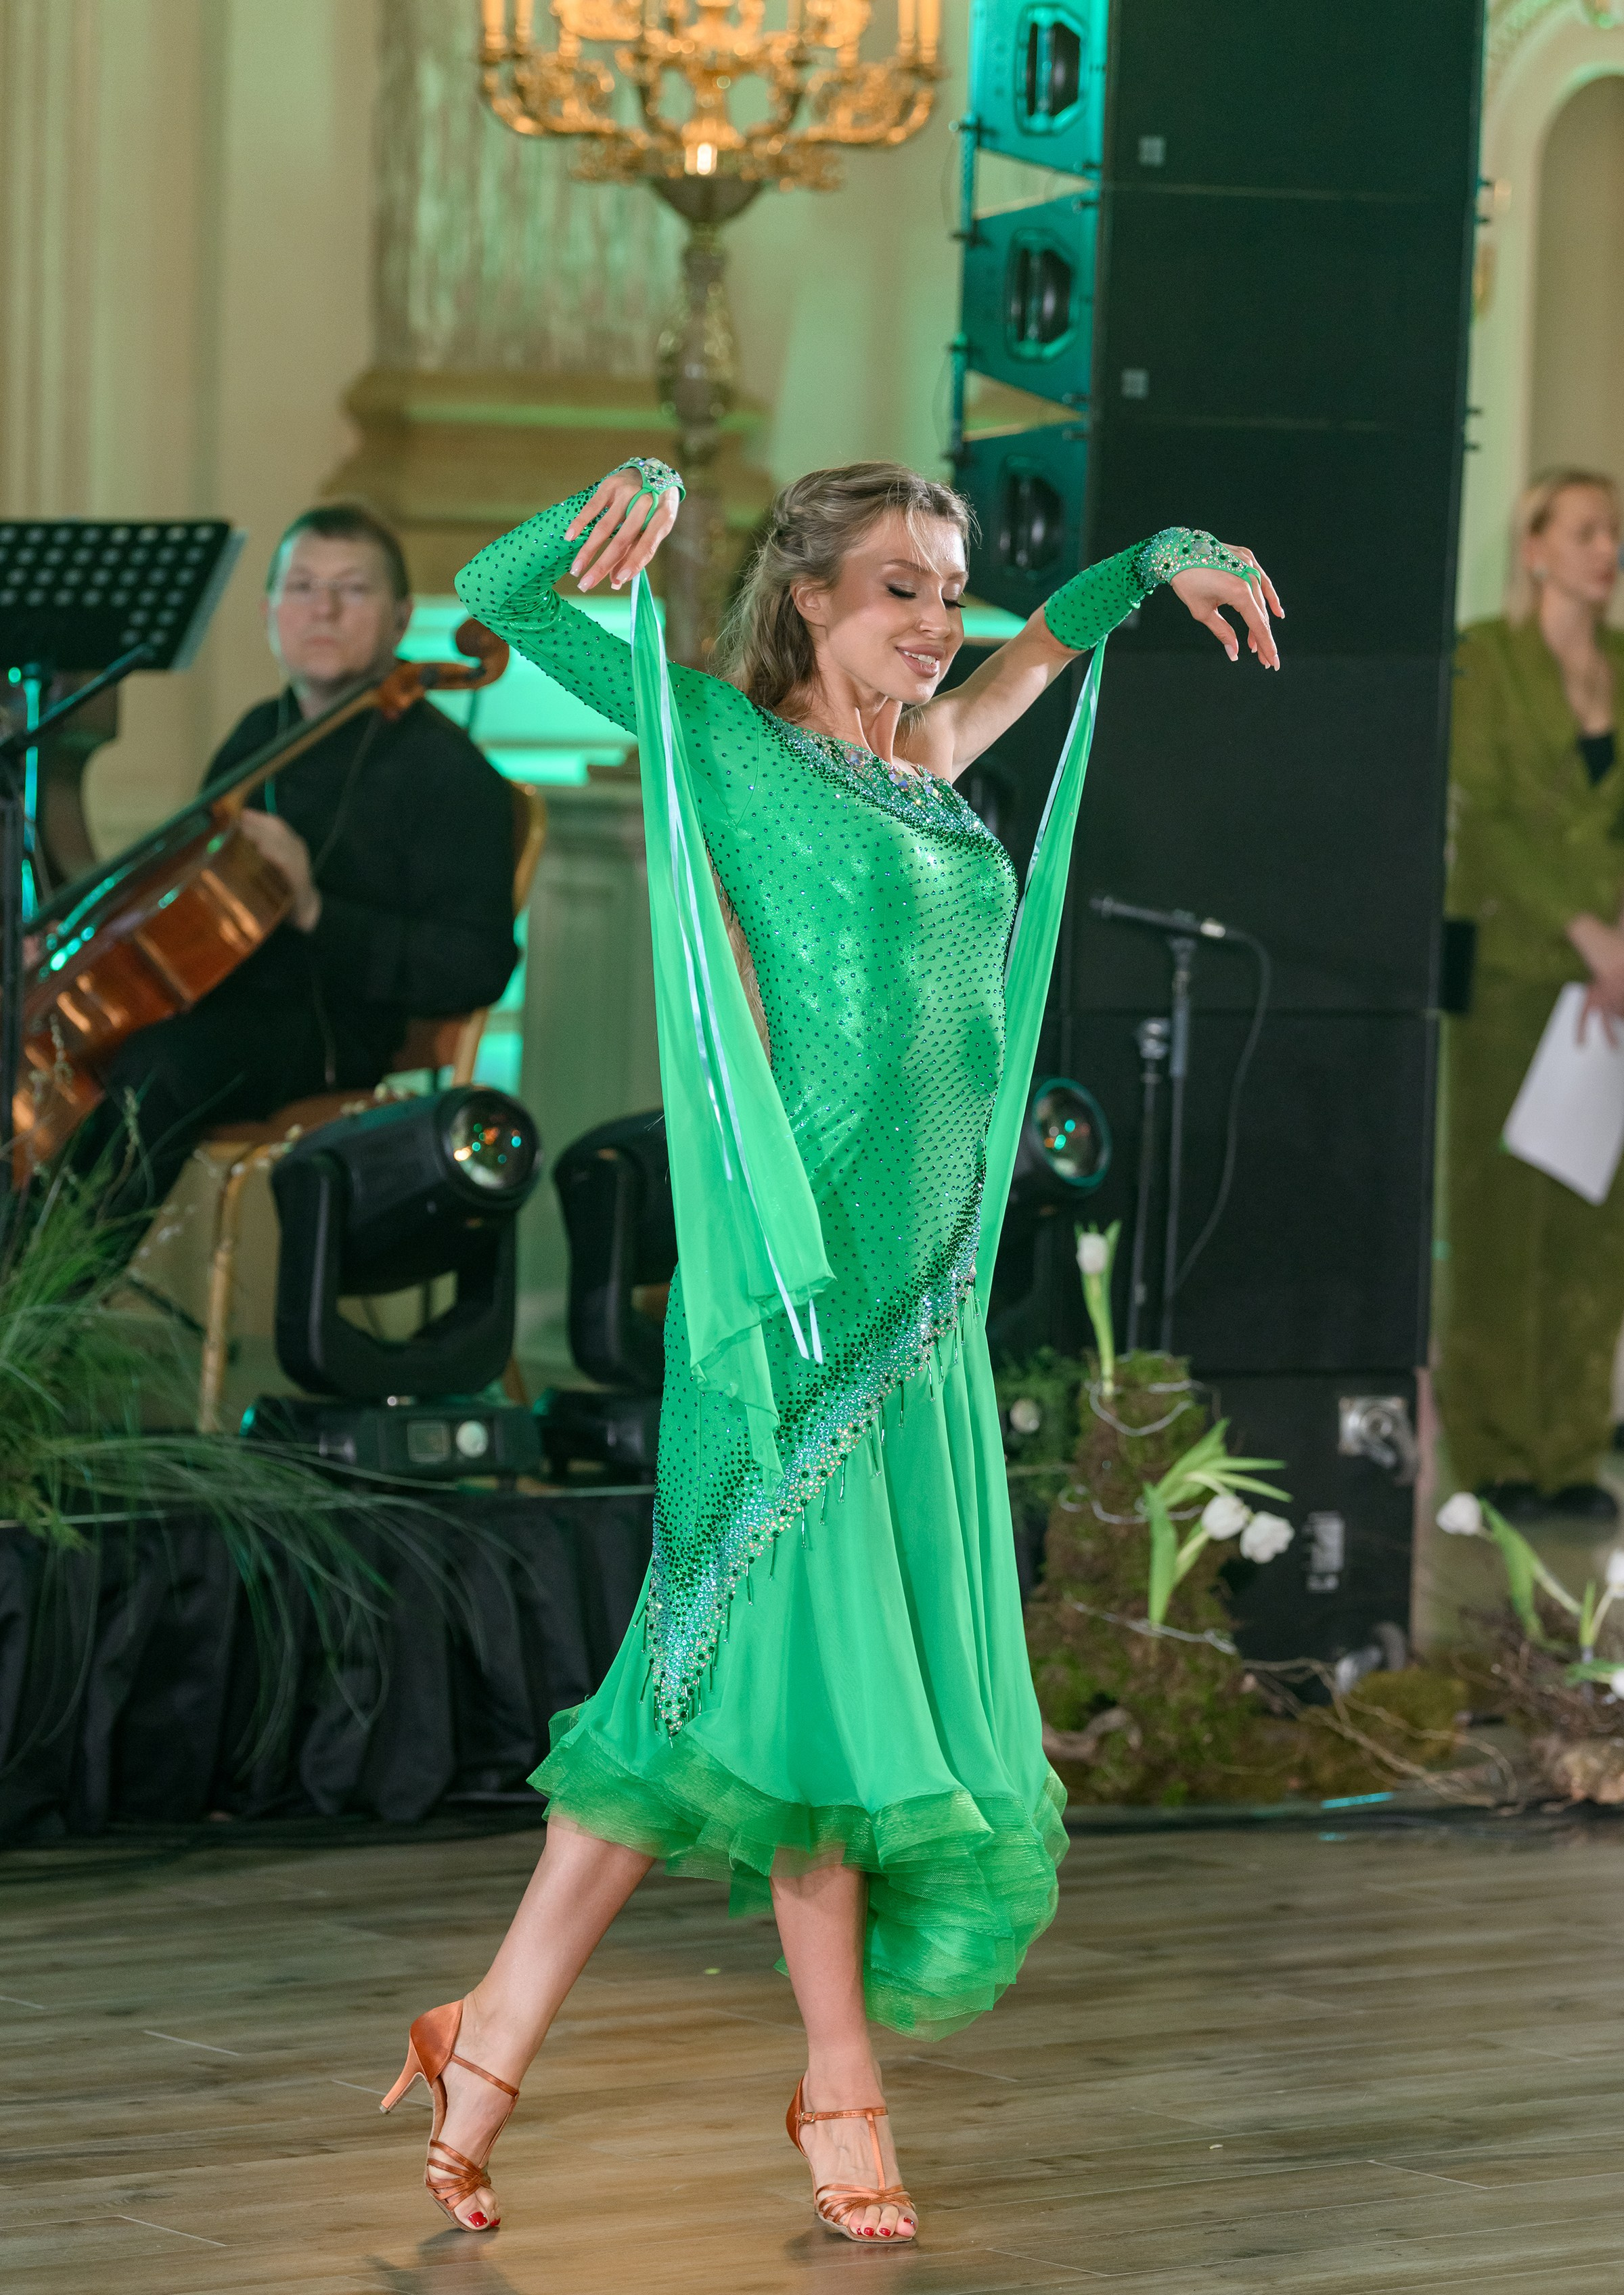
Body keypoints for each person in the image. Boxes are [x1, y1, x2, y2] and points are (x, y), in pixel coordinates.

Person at [380, 460, 1280, 2244]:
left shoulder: (931, 758)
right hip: (789, 1318)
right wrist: (620, 495)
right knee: (811, 1707)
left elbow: (1057, 643)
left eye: (953, 590)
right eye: (904, 591)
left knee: (689, 1713)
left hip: (916, 1313)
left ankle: (481, 2047)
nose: (944, 624)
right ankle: (839, 2091)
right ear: (812, 601)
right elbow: (499, 586)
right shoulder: (719, 741)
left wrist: (1156, 561)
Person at [74, 502, 518, 1216]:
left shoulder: (449, 773)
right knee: (66, 1055)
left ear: (401, 618)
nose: (324, 611)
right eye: (303, 588)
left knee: (159, 1067)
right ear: (269, 611)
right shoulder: (261, 734)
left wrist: (314, 909)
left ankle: (58, 1297)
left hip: (333, 1031)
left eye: (353, 590)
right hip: (217, 1002)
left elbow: (477, 963)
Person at [1440, 466, 1624, 1524]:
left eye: (1615, 533)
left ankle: (1570, 1454)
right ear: (1538, 547)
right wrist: (1584, 927)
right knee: (1503, 1217)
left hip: (1611, 990)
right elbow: (1491, 817)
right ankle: (1498, 1453)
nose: (1607, 551)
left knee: (1593, 1223)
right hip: (1516, 969)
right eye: (1587, 530)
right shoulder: (1487, 658)